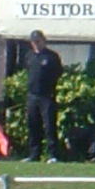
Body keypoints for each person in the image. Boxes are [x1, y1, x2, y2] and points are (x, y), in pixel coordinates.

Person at [23, 29, 63, 163]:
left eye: (38, 41)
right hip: (32, 96)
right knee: (33, 125)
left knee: (50, 126)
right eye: (33, 42)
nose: (36, 44)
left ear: (43, 41)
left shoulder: (52, 57)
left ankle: (53, 155)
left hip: (47, 96)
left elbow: (58, 73)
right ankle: (34, 154)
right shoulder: (29, 56)